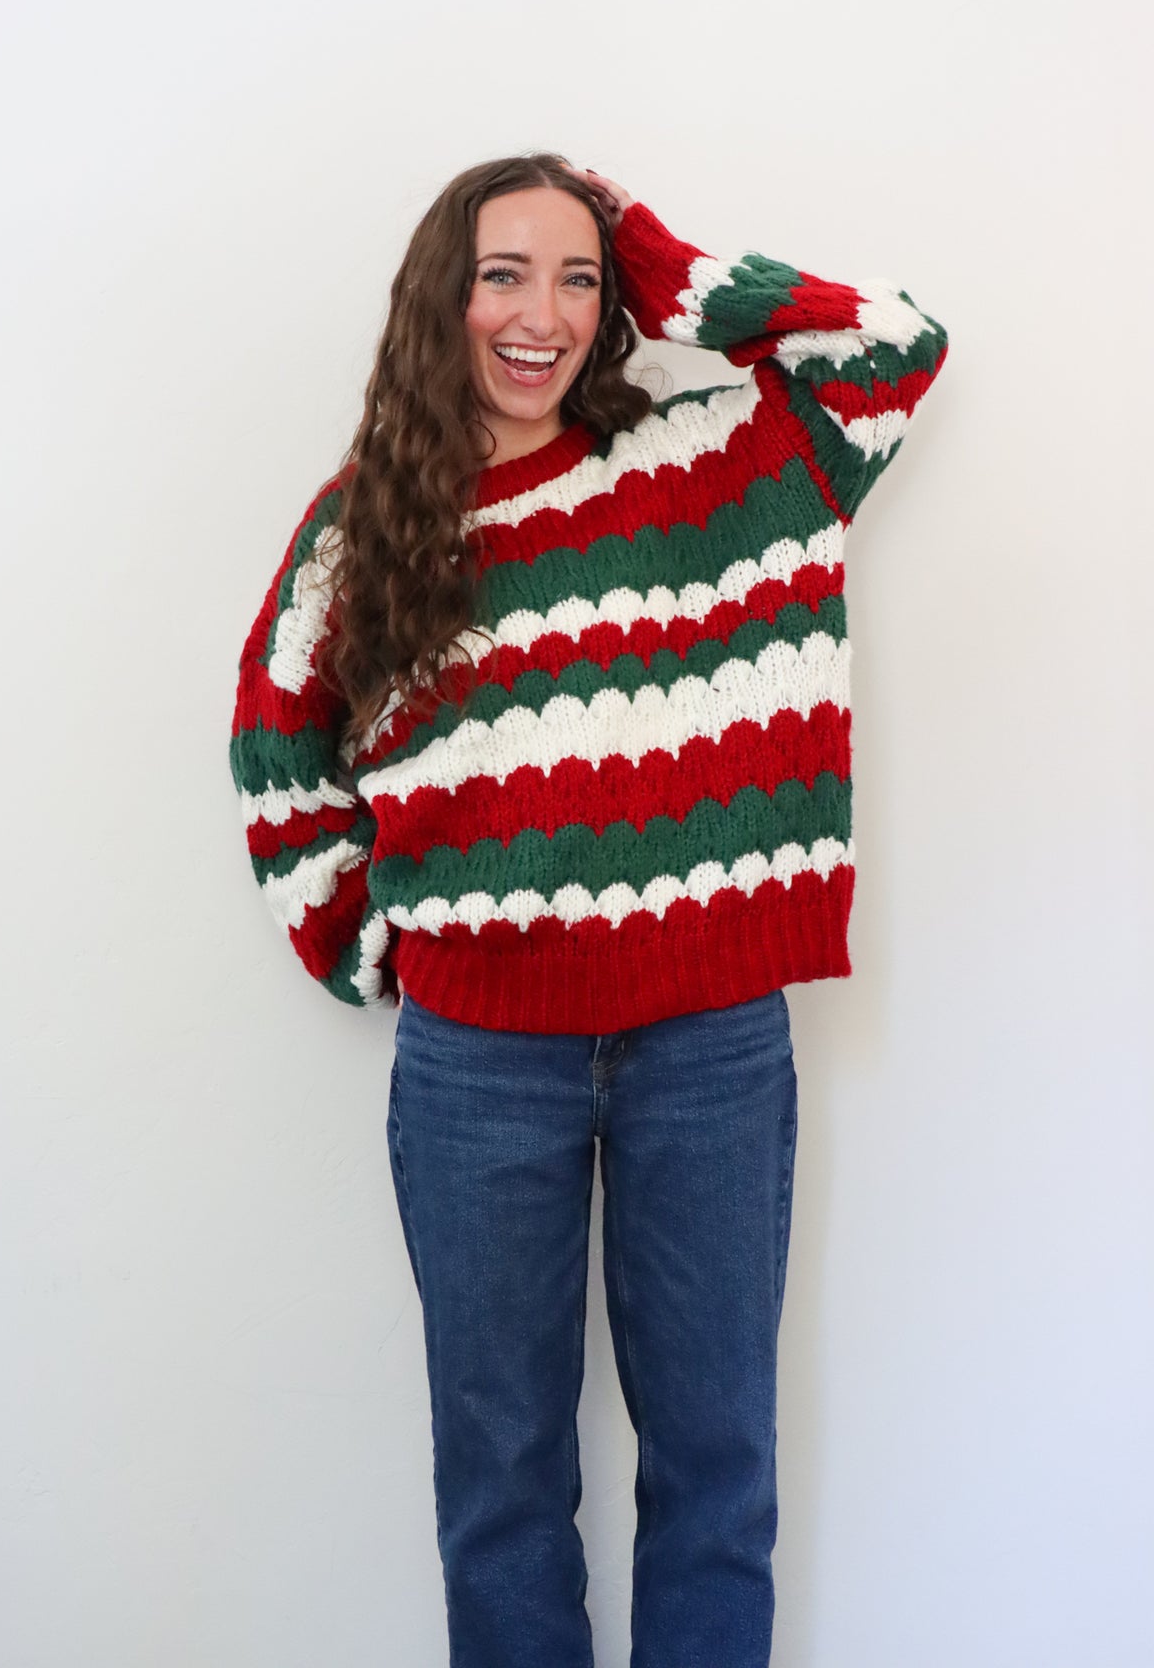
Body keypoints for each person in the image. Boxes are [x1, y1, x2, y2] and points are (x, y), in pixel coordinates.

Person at [229, 152, 949, 1667]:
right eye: (504, 275)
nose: (540, 315)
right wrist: (381, 950)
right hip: (481, 1064)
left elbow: (895, 346)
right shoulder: (367, 529)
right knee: (500, 1490)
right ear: (445, 297)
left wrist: (666, 261)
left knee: (716, 1476)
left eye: (578, 279)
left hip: (711, 1046)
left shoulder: (716, 459)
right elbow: (277, 744)